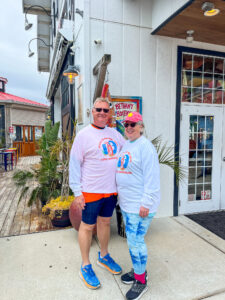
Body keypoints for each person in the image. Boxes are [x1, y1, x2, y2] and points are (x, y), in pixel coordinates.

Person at [69, 97, 125, 289]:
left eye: (105, 110)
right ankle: (85, 265)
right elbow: (74, 164)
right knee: (86, 226)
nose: (102, 113)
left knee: (105, 222)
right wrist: (77, 192)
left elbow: (126, 156)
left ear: (110, 114)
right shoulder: (83, 135)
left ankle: (104, 254)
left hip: (110, 191)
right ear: (92, 111)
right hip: (90, 191)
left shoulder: (116, 135)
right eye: (98, 109)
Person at [116, 112, 160, 300]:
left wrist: (146, 203)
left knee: (135, 242)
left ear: (141, 126)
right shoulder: (127, 144)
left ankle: (141, 281)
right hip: (127, 204)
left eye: (133, 124)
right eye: (126, 124)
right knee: (133, 241)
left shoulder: (145, 147)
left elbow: (152, 178)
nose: (129, 127)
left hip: (139, 205)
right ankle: (138, 271)